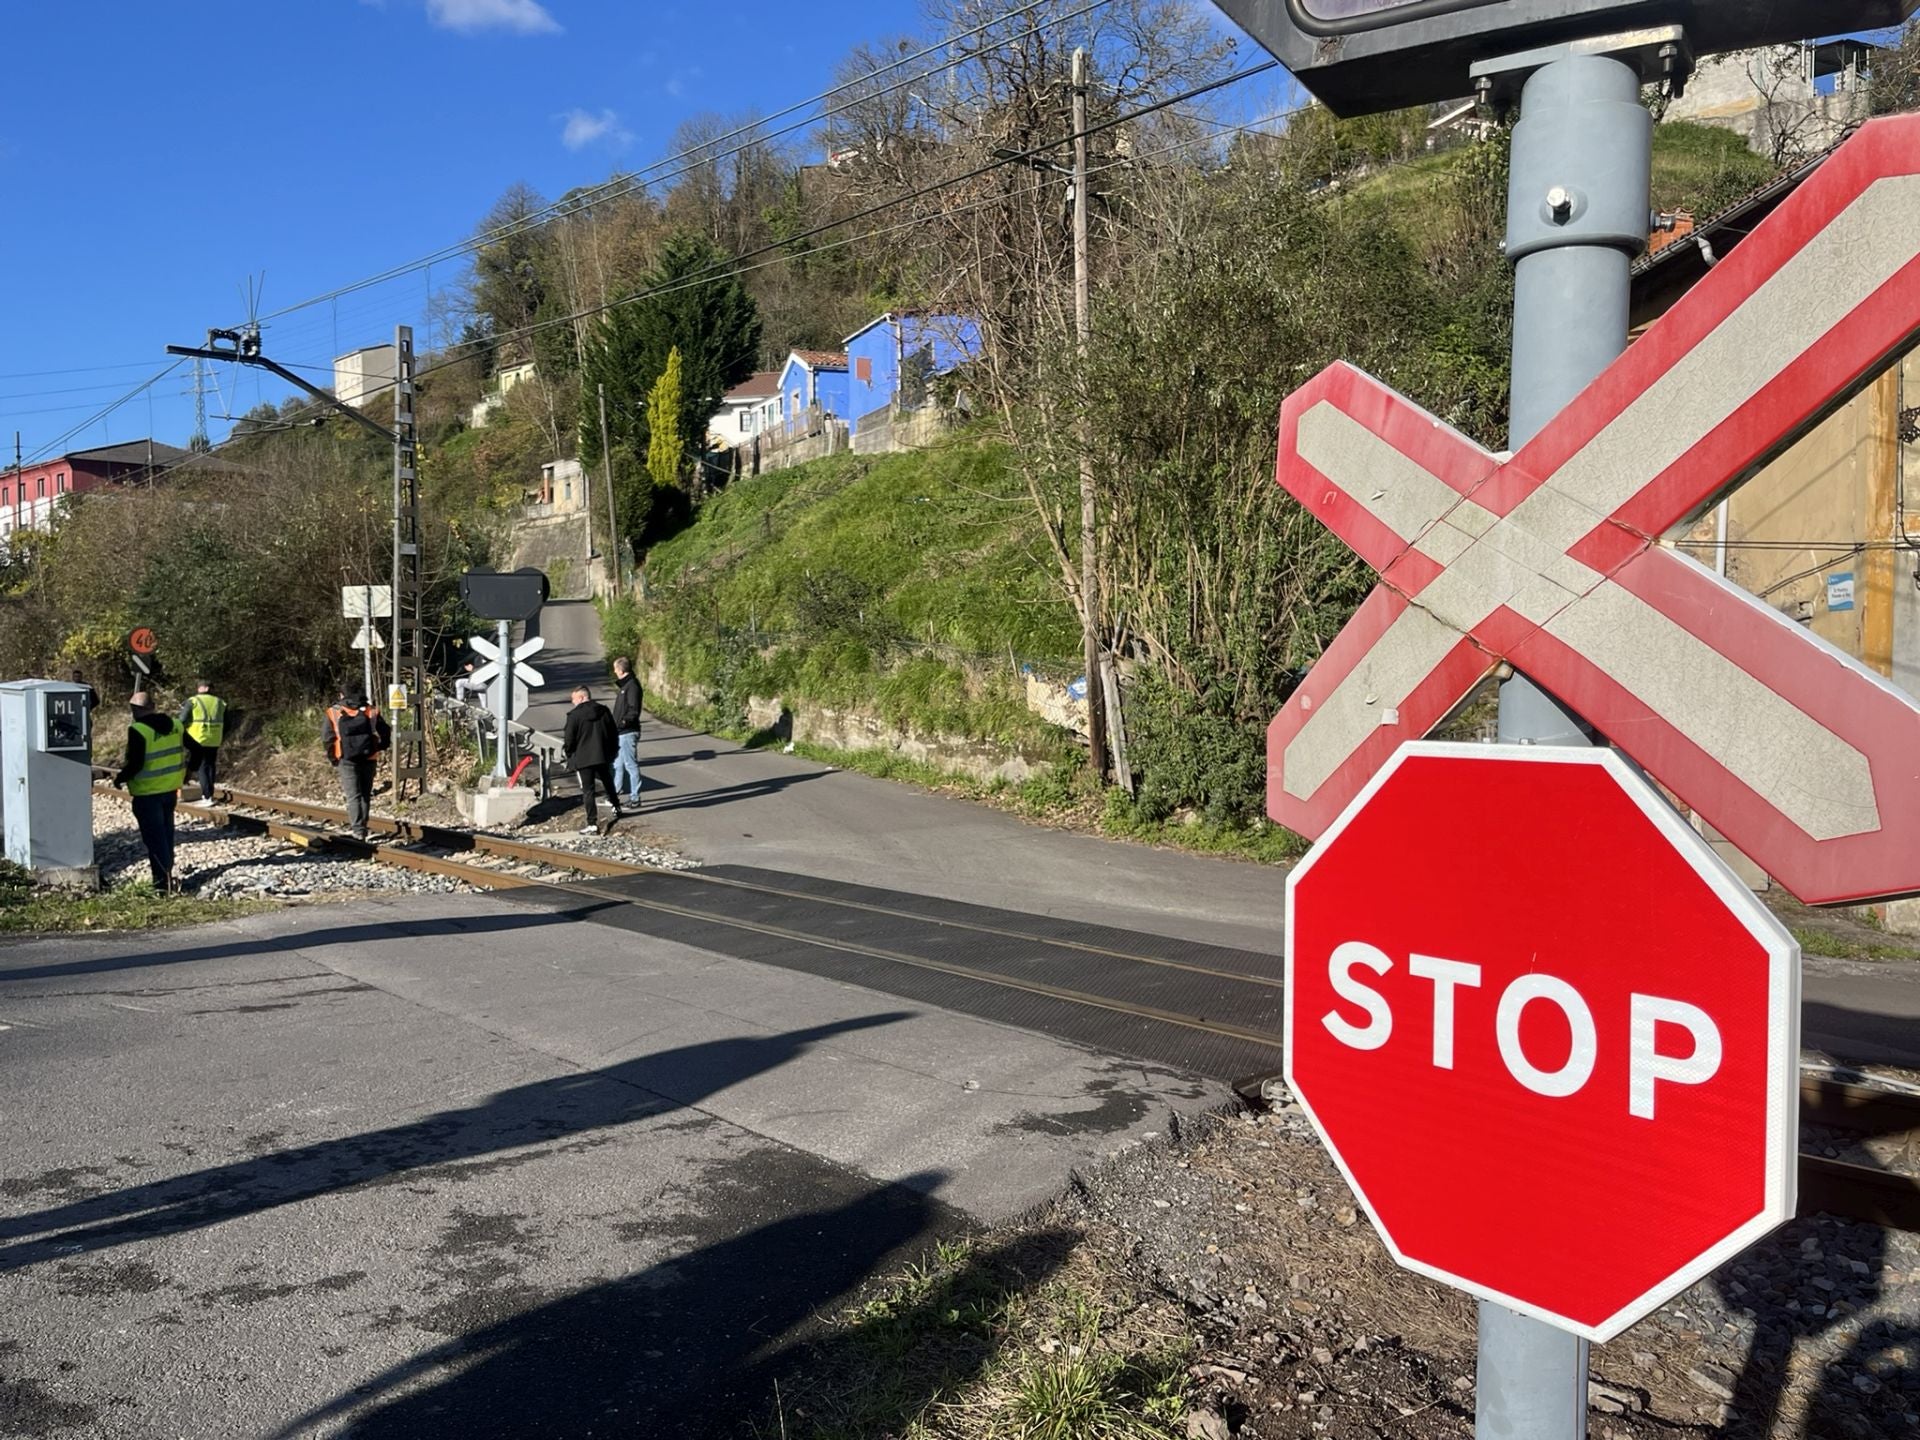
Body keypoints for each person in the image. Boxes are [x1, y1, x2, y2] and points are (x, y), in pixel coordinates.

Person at [112, 691, 184, 890]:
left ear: (135, 710)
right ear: (153, 706)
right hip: (169, 791)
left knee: (154, 837)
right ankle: (167, 873)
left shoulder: (138, 730)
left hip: (147, 794)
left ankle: (162, 883)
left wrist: (120, 778)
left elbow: (136, 763)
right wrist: (189, 771)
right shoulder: (176, 725)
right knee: (166, 833)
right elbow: (195, 747)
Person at [322, 683, 391, 841]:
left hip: (346, 758)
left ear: (341, 695)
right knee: (365, 794)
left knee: (353, 795)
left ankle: (358, 830)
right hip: (369, 757)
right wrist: (380, 746)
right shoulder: (371, 710)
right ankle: (363, 827)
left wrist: (333, 758)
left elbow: (327, 738)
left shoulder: (334, 712)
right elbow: (385, 731)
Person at [561, 684, 624, 835]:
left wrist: (569, 753)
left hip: (584, 757)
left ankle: (592, 823)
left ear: (582, 697)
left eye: (574, 699)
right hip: (602, 755)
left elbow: (569, 739)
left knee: (588, 790)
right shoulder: (604, 711)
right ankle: (616, 806)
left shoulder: (574, 716)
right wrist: (613, 751)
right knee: (608, 781)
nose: (573, 702)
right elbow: (613, 733)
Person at [178, 680, 228, 805]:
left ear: (200, 688)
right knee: (210, 766)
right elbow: (228, 723)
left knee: (202, 767)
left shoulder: (193, 701)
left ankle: (207, 796)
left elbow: (181, 720)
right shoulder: (220, 702)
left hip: (197, 738)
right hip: (215, 738)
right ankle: (209, 794)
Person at [609, 656, 644, 807]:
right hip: (622, 732)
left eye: (615, 669)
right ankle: (615, 792)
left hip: (627, 731)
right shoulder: (626, 686)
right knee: (618, 763)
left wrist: (623, 723)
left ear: (621, 670)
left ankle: (635, 798)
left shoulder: (632, 686)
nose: (614, 671)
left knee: (630, 764)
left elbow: (633, 709)